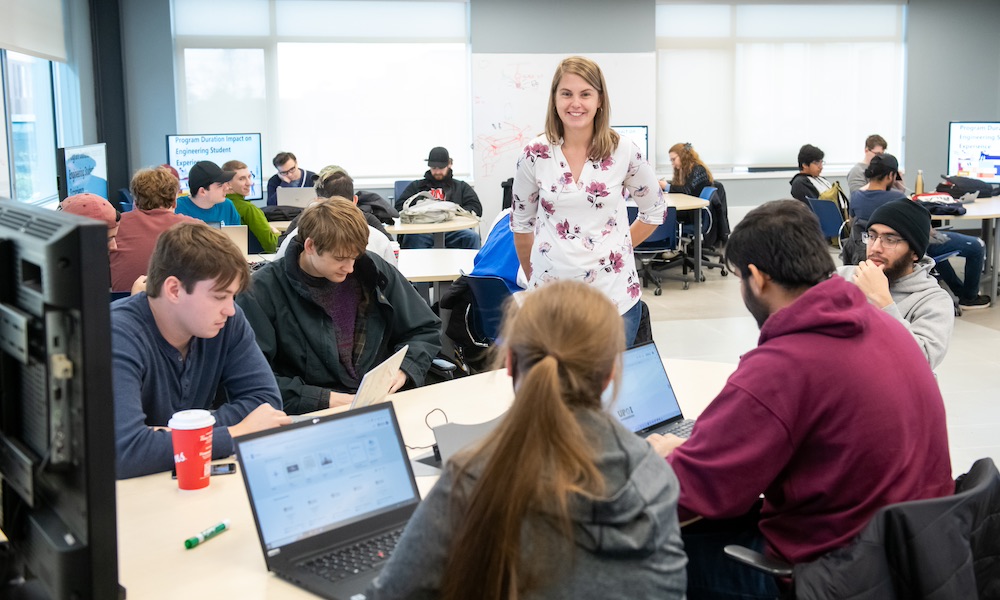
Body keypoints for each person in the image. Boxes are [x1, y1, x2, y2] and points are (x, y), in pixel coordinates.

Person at [647, 200, 953, 599]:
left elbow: (689, 496)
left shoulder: (783, 365)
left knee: (629, 552)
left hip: (826, 573)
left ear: (756, 279)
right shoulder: (886, 325)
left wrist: (667, 457)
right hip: (908, 558)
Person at [366, 280, 687, 600]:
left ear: (509, 364)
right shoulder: (654, 476)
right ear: (610, 374)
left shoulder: (471, 480)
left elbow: (391, 593)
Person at [112, 222, 290, 479]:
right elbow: (126, 452)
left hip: (186, 479)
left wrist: (173, 436)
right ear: (174, 289)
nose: (230, 309)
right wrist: (235, 432)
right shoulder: (118, 335)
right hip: (134, 495)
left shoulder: (228, 320)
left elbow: (266, 403)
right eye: (219, 297)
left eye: (232, 296)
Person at [511, 55, 665, 347]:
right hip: (551, 299)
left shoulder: (624, 150)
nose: (575, 103)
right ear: (554, 99)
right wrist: (537, 279)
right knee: (558, 389)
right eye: (566, 94)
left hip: (614, 297)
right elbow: (521, 225)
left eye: (585, 94)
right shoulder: (534, 153)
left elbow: (654, 210)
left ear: (600, 100)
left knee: (613, 390)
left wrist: (617, 250)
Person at [236, 199, 441, 415]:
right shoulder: (261, 291)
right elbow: (251, 379)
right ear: (310, 246)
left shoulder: (373, 269)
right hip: (310, 413)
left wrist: (403, 370)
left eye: (355, 256)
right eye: (340, 258)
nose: (350, 267)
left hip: (381, 401)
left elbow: (424, 329)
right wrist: (324, 399)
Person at [851, 153, 991, 310]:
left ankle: (958, 290)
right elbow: (925, 232)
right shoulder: (896, 197)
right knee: (976, 245)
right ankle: (969, 297)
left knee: (937, 250)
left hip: (866, 250)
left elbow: (852, 224)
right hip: (910, 247)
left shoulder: (856, 196)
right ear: (891, 175)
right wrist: (901, 187)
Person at [837, 199, 955, 369]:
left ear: (914, 253)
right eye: (872, 236)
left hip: (893, 392)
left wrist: (883, 301)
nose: (875, 247)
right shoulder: (842, 277)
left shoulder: (933, 300)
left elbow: (922, 362)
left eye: (890, 239)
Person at [275, 167, 396, 265]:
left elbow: (279, 260)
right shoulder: (376, 235)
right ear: (354, 200)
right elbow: (392, 264)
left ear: (318, 201)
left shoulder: (299, 229)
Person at [110, 166, 197, 292]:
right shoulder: (194, 227)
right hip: (176, 305)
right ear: (174, 201)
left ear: (135, 201)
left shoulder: (114, 227)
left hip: (123, 305)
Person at [394, 146, 483, 249]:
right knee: (412, 238)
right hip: (421, 231)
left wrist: (454, 213)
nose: (437, 172)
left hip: (453, 230)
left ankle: (469, 265)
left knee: (471, 237)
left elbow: (476, 208)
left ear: (449, 164)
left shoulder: (461, 187)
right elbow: (399, 207)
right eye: (434, 168)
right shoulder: (416, 186)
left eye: (441, 168)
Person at [221, 159, 279, 253]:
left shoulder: (215, 204)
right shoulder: (249, 209)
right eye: (242, 179)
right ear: (227, 183)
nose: (249, 183)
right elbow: (272, 245)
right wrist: (277, 233)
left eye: (249, 177)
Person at [175, 160, 241, 226]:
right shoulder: (176, 208)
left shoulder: (227, 206)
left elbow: (237, 235)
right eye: (220, 185)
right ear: (202, 191)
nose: (227, 188)